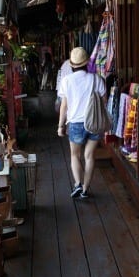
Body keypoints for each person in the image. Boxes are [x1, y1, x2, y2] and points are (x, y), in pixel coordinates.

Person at [57, 46, 106, 199]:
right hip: (94, 122)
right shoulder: (96, 79)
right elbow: (104, 101)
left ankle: (78, 184)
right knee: (89, 156)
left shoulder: (66, 81)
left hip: (75, 123)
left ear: (71, 65)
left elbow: (64, 105)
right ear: (87, 63)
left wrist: (60, 125)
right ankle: (85, 189)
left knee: (75, 156)